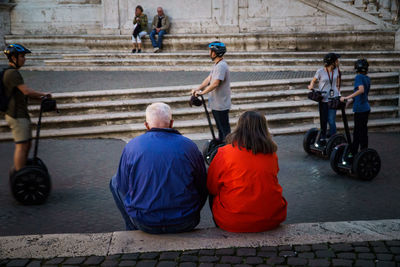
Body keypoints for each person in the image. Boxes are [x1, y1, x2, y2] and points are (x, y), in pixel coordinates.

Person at [109, 102, 207, 234]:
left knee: (115, 181)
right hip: (185, 221)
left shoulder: (132, 146)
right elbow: (202, 184)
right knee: (204, 173)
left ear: (146, 125)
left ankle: (131, 229)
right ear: (171, 123)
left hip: (145, 222)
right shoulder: (189, 146)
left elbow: (123, 185)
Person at [207, 111, 287, 233]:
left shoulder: (224, 153)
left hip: (233, 221)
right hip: (272, 218)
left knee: (213, 194)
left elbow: (212, 187)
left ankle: (219, 227)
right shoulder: (271, 153)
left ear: (239, 128)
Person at [3, 44, 51, 173]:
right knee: (22, 145)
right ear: (13, 57)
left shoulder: (13, 72)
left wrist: (40, 98)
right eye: (22, 56)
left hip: (20, 114)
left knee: (27, 144)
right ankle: (20, 175)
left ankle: (21, 169)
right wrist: (43, 94)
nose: (24, 59)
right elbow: (26, 91)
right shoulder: (12, 73)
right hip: (16, 115)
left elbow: (23, 93)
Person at [192, 41, 231, 141]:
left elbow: (215, 83)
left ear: (215, 52)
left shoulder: (221, 66)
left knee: (224, 130)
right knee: (220, 129)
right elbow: (209, 79)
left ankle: (228, 149)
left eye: (210, 51)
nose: (209, 53)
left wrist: (202, 93)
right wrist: (199, 88)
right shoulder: (217, 65)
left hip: (221, 105)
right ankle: (222, 148)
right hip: (216, 104)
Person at [308, 53, 341, 145]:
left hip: (333, 99)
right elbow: (313, 81)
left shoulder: (337, 70)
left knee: (331, 120)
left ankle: (334, 139)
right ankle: (322, 138)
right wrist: (311, 86)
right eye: (336, 60)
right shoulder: (320, 71)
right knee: (323, 120)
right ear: (332, 62)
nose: (338, 62)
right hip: (323, 99)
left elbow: (337, 84)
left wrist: (339, 93)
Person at [340, 59, 371, 158]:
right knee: (362, 132)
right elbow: (362, 93)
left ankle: (355, 154)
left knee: (358, 133)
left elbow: (361, 90)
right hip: (365, 108)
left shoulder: (358, 77)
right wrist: (351, 100)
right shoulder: (367, 78)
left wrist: (346, 97)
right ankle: (362, 152)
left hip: (360, 109)